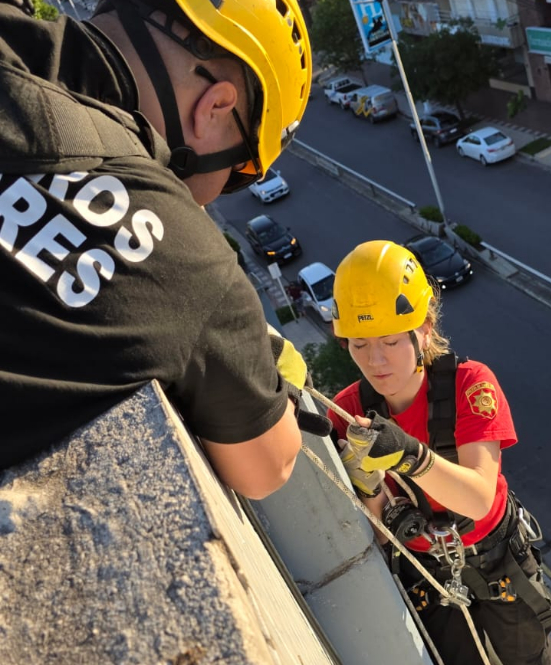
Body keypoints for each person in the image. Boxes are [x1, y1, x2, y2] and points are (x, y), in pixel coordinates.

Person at [0, 0, 329, 498]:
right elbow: (269, 465)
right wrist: (244, 351)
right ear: (216, 106)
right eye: (238, 171)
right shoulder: (187, 261)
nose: (217, 193)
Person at [327, 240, 551, 665]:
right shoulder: (347, 412)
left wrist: (410, 456)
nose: (375, 361)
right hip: (425, 567)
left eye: (390, 341)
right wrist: (368, 487)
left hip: (494, 555)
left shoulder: (469, 384)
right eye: (359, 345)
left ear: (424, 328)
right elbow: (375, 533)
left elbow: (477, 497)